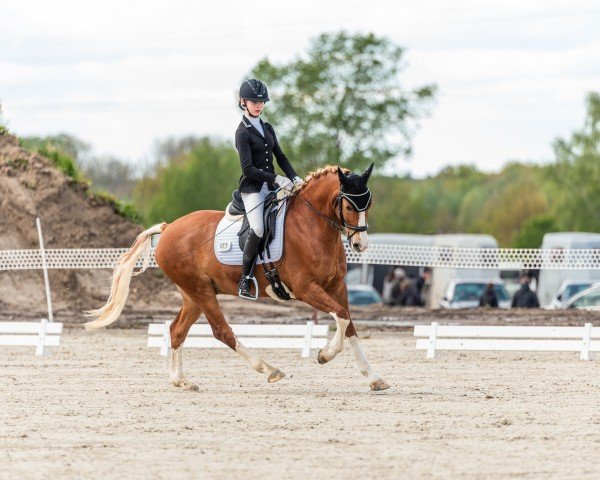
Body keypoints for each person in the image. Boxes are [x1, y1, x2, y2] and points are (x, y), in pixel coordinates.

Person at [235, 79, 304, 299]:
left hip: (273, 187)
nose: (259, 105)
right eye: (254, 101)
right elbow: (248, 169)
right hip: (253, 189)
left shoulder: (266, 127)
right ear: (243, 102)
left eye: (262, 101)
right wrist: (276, 177)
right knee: (258, 228)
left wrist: (294, 177)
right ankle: (244, 280)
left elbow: (280, 156)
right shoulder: (242, 132)